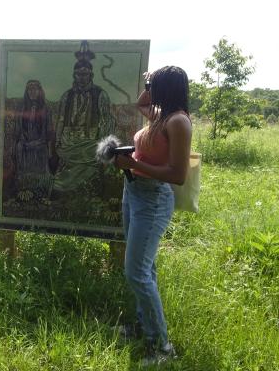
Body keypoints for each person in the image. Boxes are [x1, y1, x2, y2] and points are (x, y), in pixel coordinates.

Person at [113, 66, 192, 365]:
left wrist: (131, 165)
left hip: (153, 199)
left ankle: (162, 347)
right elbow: (141, 103)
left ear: (167, 88)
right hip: (133, 194)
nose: (148, 88)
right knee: (146, 268)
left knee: (136, 272)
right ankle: (143, 327)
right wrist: (151, 79)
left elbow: (178, 175)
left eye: (153, 84)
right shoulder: (159, 116)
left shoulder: (178, 122)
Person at [51, 40, 115, 197]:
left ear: (91, 75)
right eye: (79, 74)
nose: (82, 77)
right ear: (74, 75)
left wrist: (103, 144)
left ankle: (87, 197)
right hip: (68, 142)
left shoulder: (100, 94)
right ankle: (60, 195)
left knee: (91, 162)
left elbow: (107, 120)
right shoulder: (67, 95)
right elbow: (60, 119)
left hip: (90, 142)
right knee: (61, 164)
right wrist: (58, 140)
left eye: (85, 74)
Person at [14, 79, 53, 202]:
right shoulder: (22, 108)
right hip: (25, 143)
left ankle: (41, 194)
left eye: (35, 89)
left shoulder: (46, 108)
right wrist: (24, 140)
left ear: (39, 91)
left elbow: (48, 131)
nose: (32, 92)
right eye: (29, 89)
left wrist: (38, 142)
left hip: (40, 143)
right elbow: (18, 128)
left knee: (41, 167)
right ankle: (25, 192)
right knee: (20, 149)